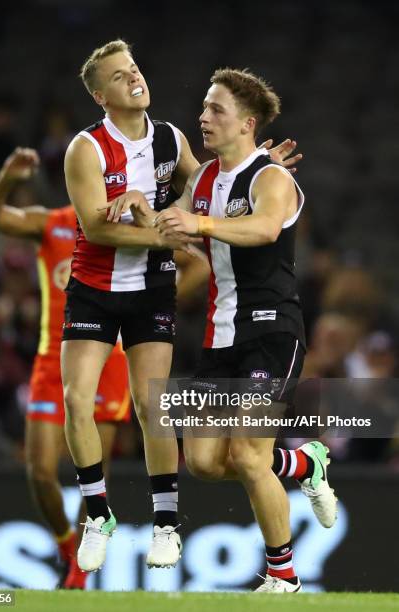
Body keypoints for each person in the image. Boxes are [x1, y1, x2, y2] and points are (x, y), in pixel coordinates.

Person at [62, 38, 303, 573]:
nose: (134, 77)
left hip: (156, 291)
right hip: (95, 287)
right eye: (120, 75)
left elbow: (204, 187)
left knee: (155, 409)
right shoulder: (87, 148)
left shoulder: (170, 140)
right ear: (102, 95)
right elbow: (96, 229)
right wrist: (165, 231)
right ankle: (98, 515)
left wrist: (256, 167)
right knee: (80, 400)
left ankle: (169, 525)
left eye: (135, 67)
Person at [151, 68, 338, 593]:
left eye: (216, 110)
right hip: (220, 333)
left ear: (247, 123)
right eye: (205, 107)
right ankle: (303, 462)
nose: (203, 117)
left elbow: (262, 228)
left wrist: (200, 225)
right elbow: (172, 225)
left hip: (271, 329)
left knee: (250, 456)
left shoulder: (271, 177)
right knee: (206, 462)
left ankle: (284, 577)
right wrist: (147, 212)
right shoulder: (204, 179)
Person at [0, 147, 131, 589]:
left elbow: (186, 262)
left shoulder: (126, 224)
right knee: (40, 471)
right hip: (53, 356)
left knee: (94, 471)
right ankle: (69, 548)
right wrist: (6, 178)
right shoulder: (53, 222)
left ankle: (79, 571)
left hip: (109, 359)